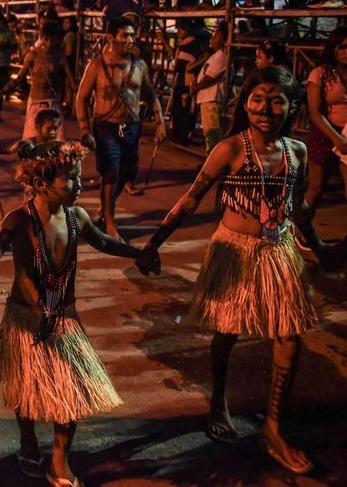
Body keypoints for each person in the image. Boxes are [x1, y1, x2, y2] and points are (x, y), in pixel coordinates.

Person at [137, 66, 337, 475]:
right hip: (233, 252)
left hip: (279, 251)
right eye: (258, 99)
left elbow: (297, 209)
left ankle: (274, 427)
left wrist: (318, 247)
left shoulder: (295, 151)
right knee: (226, 333)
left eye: (277, 100)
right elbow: (192, 198)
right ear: (244, 102)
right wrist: (153, 242)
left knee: (289, 335)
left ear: (293, 106)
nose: (266, 108)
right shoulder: (229, 149)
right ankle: (218, 402)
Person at [0, 140, 150, 485]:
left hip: (64, 320)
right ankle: (28, 441)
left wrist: (138, 253)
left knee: (72, 389)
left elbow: (103, 242)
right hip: (26, 319)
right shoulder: (19, 220)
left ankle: (59, 459)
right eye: (71, 179)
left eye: (79, 177)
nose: (80, 185)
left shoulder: (78, 217)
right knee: (26, 386)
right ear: (41, 183)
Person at [75, 18, 165, 240]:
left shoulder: (140, 65)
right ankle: (111, 225)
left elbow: (150, 93)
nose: (130, 39)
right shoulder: (96, 66)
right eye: (124, 35)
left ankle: (106, 210)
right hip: (106, 127)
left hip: (133, 127)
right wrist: (85, 129)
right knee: (111, 172)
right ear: (111, 38)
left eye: (132, 35)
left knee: (127, 172)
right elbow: (81, 98)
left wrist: (160, 120)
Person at [0, 19, 76, 140]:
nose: (49, 43)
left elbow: (72, 83)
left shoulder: (60, 57)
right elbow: (19, 78)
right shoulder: (33, 55)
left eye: (53, 40)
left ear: (58, 39)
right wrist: (0, 93)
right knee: (31, 146)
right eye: (46, 39)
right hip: (35, 104)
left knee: (58, 145)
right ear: (41, 37)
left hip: (53, 104)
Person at [304, 27, 347, 217]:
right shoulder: (320, 73)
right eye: (343, 47)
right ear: (334, 48)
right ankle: (301, 232)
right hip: (325, 132)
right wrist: (336, 138)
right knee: (317, 187)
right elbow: (314, 111)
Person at [192, 26, 228, 155]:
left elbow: (209, 77)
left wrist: (195, 88)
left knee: (212, 132)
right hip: (207, 97)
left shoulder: (222, 56)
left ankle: (213, 161)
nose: (212, 39)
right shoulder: (215, 55)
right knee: (209, 132)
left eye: (216, 37)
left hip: (212, 98)